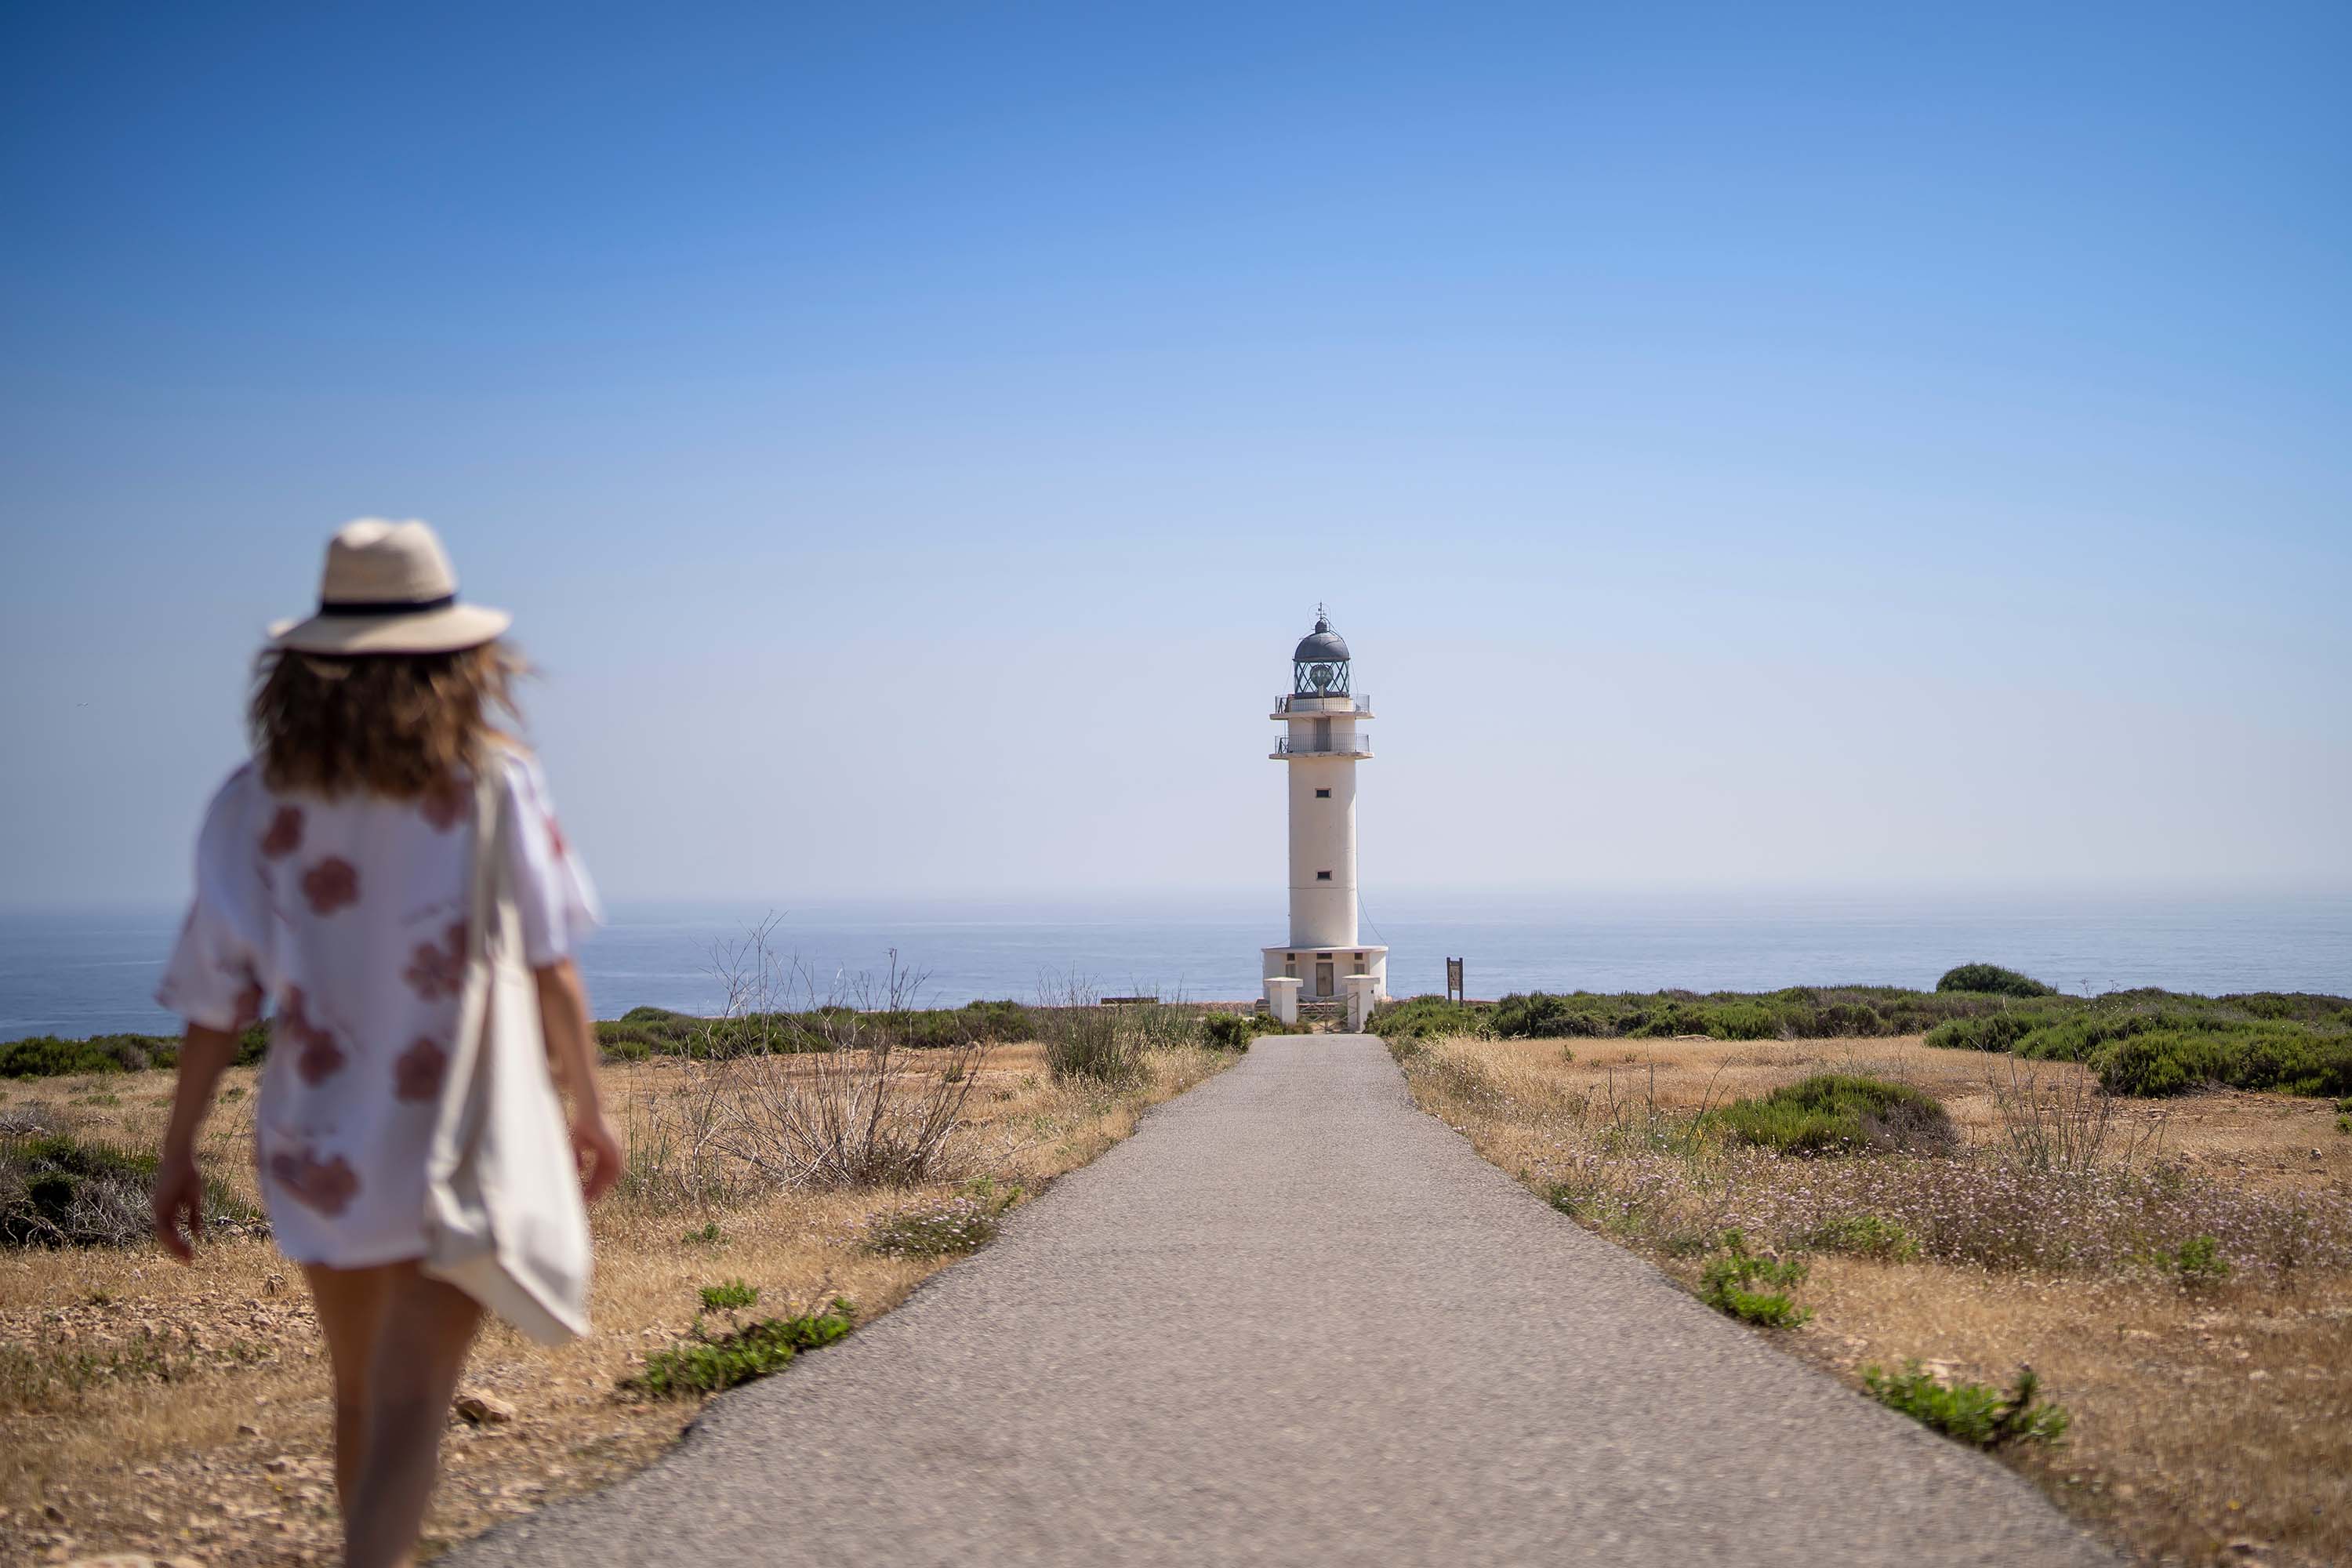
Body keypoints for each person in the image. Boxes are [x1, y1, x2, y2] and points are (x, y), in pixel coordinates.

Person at [150, 519, 622, 1568]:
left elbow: (214, 996)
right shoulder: (494, 782)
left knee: (360, 1393)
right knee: (416, 1401)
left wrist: (178, 1150)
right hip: (456, 1136)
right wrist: (590, 1106)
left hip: (316, 1145)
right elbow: (552, 959)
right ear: (461, 655)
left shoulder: (254, 798)